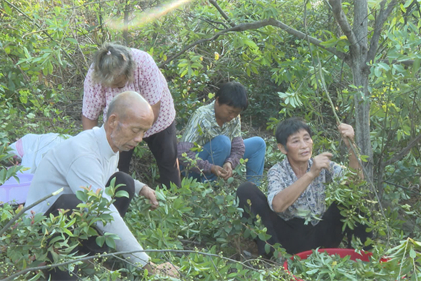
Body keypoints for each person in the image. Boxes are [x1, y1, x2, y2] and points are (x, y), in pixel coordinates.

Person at [25, 92, 177, 279]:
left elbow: (106, 175)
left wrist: (142, 188)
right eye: (136, 130)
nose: (139, 139)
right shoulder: (83, 153)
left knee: (123, 182)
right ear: (113, 121)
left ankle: (88, 256)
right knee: (75, 203)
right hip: (41, 231)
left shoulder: (110, 143)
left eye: (144, 132)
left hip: (69, 225)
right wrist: (146, 264)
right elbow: (101, 208)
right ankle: (52, 265)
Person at [236, 117, 371, 257]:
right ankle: (273, 256)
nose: (304, 145)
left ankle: (361, 257)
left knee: (352, 198)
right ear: (282, 148)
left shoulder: (323, 165)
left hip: (320, 236)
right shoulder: (277, 171)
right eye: (296, 141)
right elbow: (277, 205)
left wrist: (351, 145)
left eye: (307, 139)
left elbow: (355, 182)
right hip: (286, 239)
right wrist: (311, 174)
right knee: (246, 190)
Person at [82, 43, 180, 189]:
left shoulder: (144, 63)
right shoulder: (94, 76)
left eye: (119, 83)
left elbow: (154, 108)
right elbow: (89, 116)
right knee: (116, 170)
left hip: (158, 119)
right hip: (120, 127)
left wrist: (135, 133)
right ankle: (116, 204)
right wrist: (94, 147)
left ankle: (174, 200)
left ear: (129, 72)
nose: (115, 87)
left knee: (168, 161)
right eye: (112, 85)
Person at [177, 82, 266, 185]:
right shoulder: (201, 116)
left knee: (259, 144)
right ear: (217, 101)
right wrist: (210, 168)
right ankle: (209, 185)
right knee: (223, 142)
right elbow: (182, 153)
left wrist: (230, 162)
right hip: (196, 169)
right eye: (230, 112)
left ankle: (253, 188)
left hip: (222, 155)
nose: (232, 116)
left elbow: (238, 146)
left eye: (236, 113)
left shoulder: (234, 117)